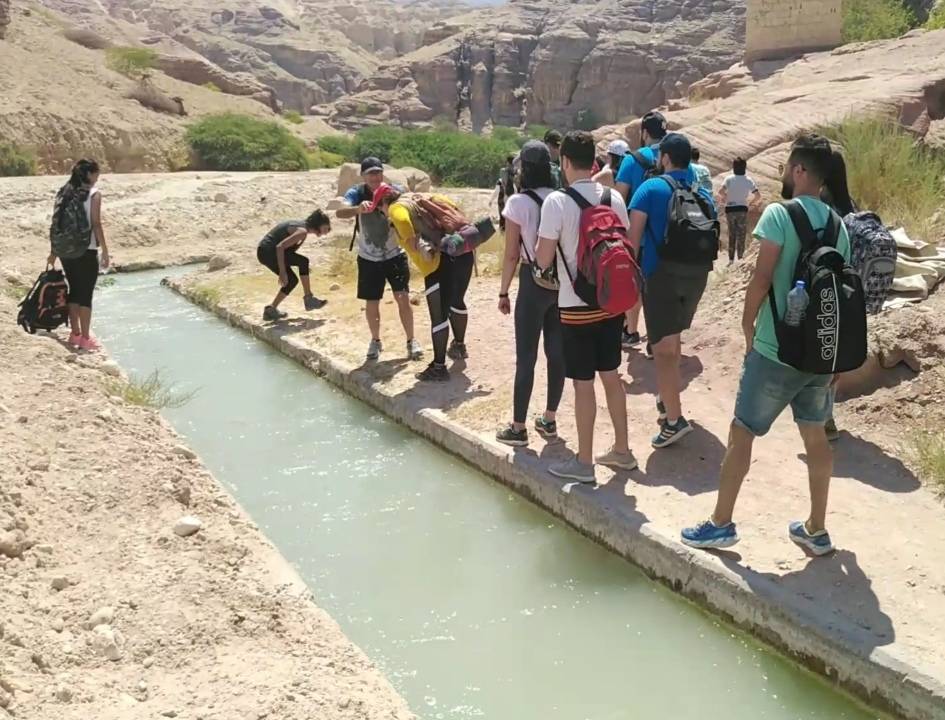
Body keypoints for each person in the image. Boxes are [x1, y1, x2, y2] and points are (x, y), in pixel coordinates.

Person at [681, 134, 852, 556]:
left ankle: (720, 524)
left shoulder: (779, 214)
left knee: (742, 431)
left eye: (788, 167)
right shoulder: (839, 225)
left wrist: (747, 326)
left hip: (776, 348)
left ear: (800, 170)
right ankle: (816, 529)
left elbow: (761, 278)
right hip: (819, 353)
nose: (785, 173)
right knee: (815, 435)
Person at [535, 130, 636, 482]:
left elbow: (543, 258)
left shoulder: (557, 202)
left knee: (582, 383)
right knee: (611, 375)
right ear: (593, 161)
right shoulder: (613, 197)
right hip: (611, 302)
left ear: (564, 161)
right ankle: (622, 451)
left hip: (575, 305)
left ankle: (584, 462)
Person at [628, 133, 716, 448]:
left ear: (664, 158)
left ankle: (674, 421)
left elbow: (632, 239)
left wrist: (631, 277)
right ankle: (668, 401)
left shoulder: (650, 188)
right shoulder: (702, 193)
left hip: (661, 276)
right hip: (697, 276)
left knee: (663, 351)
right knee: (673, 339)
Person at [495, 140, 565, 447]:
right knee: (557, 354)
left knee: (526, 357)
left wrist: (503, 292)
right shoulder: (561, 197)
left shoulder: (518, 203)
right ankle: (549, 419)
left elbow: (512, 253)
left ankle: (518, 427)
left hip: (531, 280)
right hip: (560, 282)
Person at [373, 187, 474, 382]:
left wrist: (411, 240)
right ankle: (459, 346)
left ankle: (439, 367)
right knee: (457, 301)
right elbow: (456, 213)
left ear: (383, 203)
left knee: (439, 315)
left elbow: (402, 220)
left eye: (380, 209)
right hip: (462, 250)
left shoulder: (396, 208)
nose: (382, 213)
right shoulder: (425, 197)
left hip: (439, 263)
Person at [336, 157, 422, 361]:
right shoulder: (356, 193)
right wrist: (357, 209)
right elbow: (340, 212)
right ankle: (375, 341)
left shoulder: (393, 190)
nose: (375, 177)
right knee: (372, 302)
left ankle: (411, 341)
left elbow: (411, 205)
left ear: (382, 173)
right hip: (368, 257)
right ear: (363, 176)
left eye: (378, 172)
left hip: (394, 254)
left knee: (403, 298)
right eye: (370, 173)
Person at [616, 111, 672, 351]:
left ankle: (631, 331)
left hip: (638, 236)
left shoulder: (633, 160)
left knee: (635, 286)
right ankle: (657, 338)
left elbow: (618, 199)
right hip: (670, 235)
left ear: (645, 133)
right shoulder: (674, 157)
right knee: (662, 289)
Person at [47, 159, 109, 351]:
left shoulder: (64, 192)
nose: (98, 177)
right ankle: (86, 338)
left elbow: (57, 223)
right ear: (89, 174)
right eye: (97, 173)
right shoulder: (93, 194)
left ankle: (74, 334)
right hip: (86, 249)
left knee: (74, 290)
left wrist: (54, 252)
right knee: (86, 295)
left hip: (66, 251)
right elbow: (96, 223)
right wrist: (105, 250)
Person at [256, 211, 330, 321]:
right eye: (325, 228)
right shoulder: (302, 231)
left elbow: (290, 252)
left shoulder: (302, 230)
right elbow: (280, 247)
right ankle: (309, 299)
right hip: (268, 252)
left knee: (292, 280)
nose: (326, 232)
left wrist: (303, 269)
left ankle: (271, 310)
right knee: (303, 262)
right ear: (318, 225)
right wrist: (282, 272)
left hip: (266, 252)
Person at [718, 157, 761, 264]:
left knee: (732, 234)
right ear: (745, 168)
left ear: (733, 167)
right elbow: (758, 195)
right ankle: (740, 258)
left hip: (730, 208)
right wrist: (750, 203)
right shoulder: (748, 180)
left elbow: (721, 191)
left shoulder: (729, 179)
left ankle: (731, 260)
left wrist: (726, 198)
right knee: (741, 235)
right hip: (742, 208)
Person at [496, 155, 516, 231]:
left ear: (507, 162)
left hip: (506, 194)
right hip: (514, 195)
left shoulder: (503, 171)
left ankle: (503, 231)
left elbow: (504, 183)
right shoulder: (517, 172)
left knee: (503, 214)